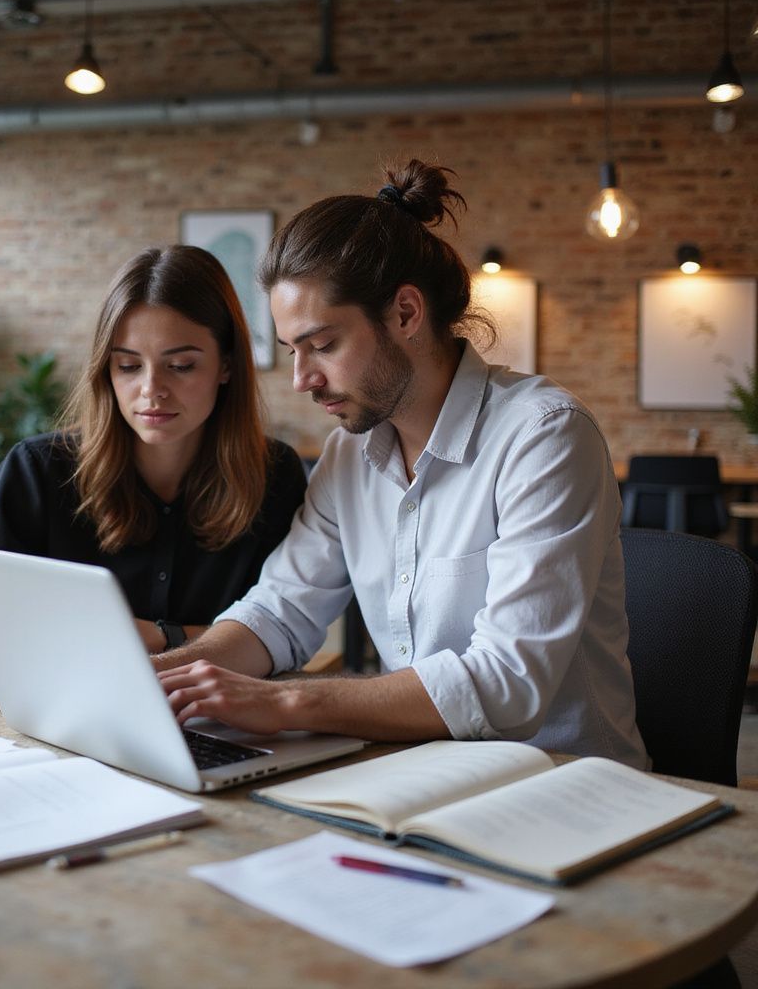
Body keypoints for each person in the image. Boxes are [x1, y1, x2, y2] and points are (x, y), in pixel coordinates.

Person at [155, 159, 647, 768]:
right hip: (420, 774)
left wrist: (286, 704)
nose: (303, 380)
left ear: (407, 314)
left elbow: (506, 682)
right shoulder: (347, 455)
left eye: (324, 345)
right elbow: (279, 610)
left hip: (565, 791)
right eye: (292, 352)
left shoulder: (543, 436)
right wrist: (155, 677)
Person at [0, 245, 307, 708]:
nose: (151, 390)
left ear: (226, 364)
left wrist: (156, 636)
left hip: (219, 736)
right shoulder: (42, 472)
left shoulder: (275, 477)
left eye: (181, 365)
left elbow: (281, 632)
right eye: (127, 365)